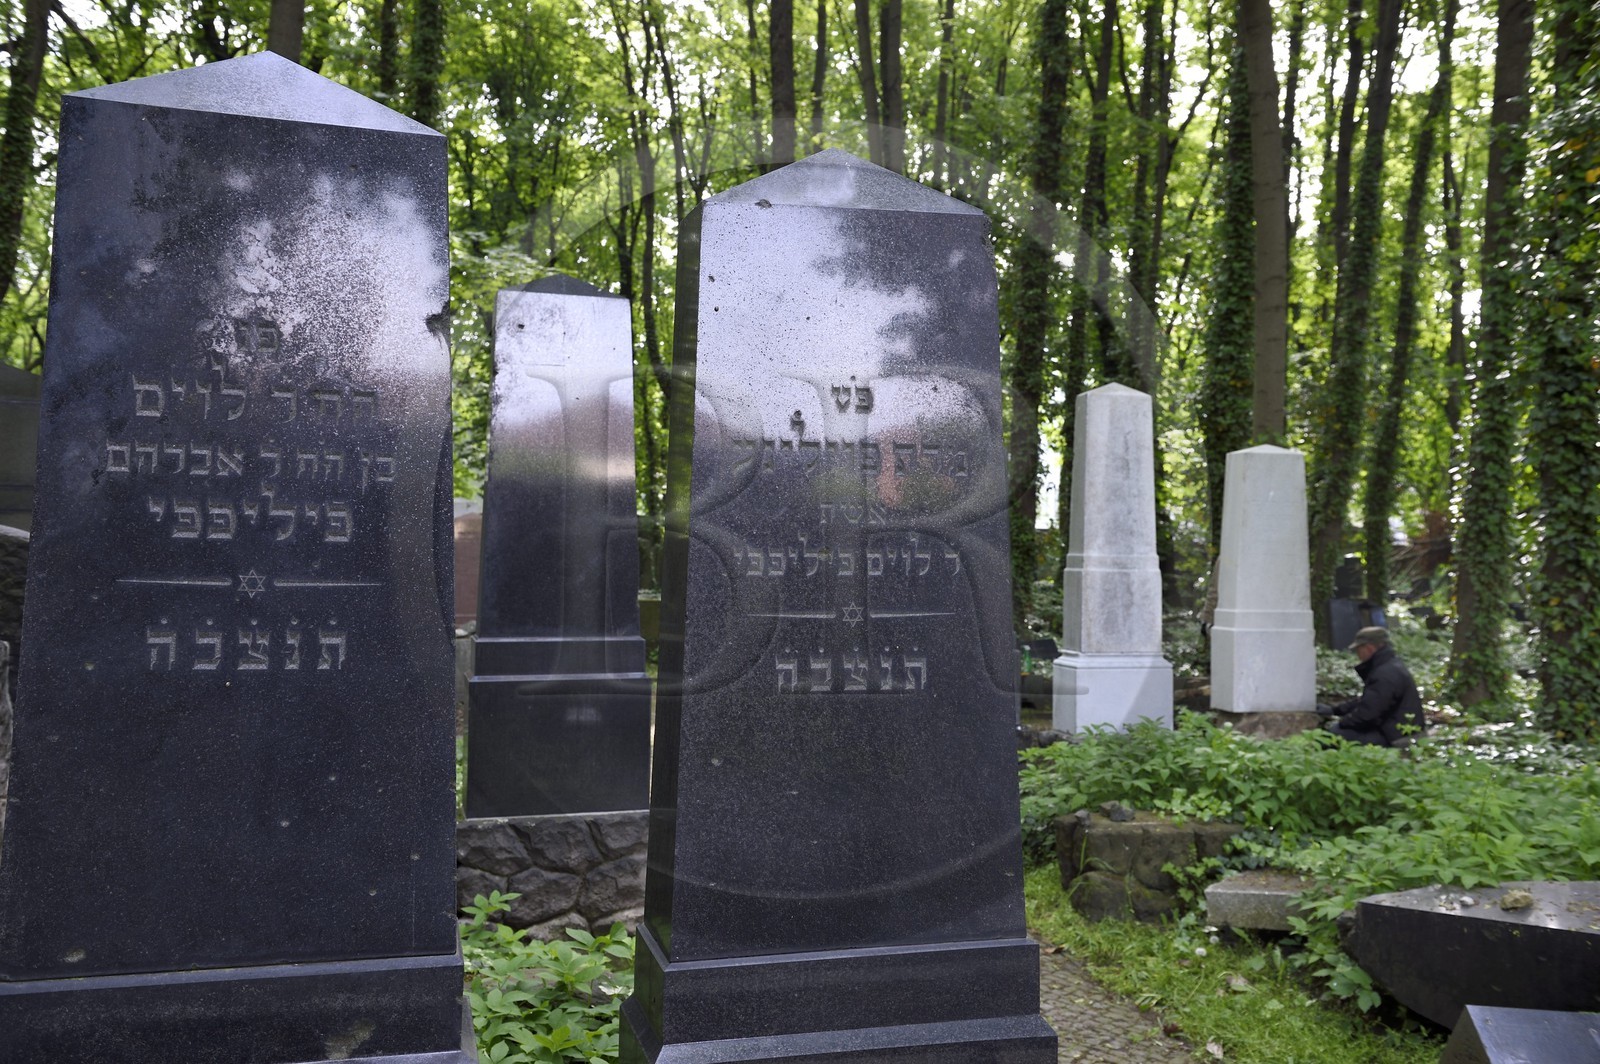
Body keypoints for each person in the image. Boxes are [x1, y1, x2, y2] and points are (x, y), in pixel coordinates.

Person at [1315, 627, 1425, 747]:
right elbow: (1369, 701)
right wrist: (1335, 710)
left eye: (1358, 650)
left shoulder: (1385, 674)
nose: (1358, 655)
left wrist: (1342, 723)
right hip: (1394, 731)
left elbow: (1368, 714)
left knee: (1329, 737)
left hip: (1396, 737)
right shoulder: (1390, 666)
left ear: (1369, 648)